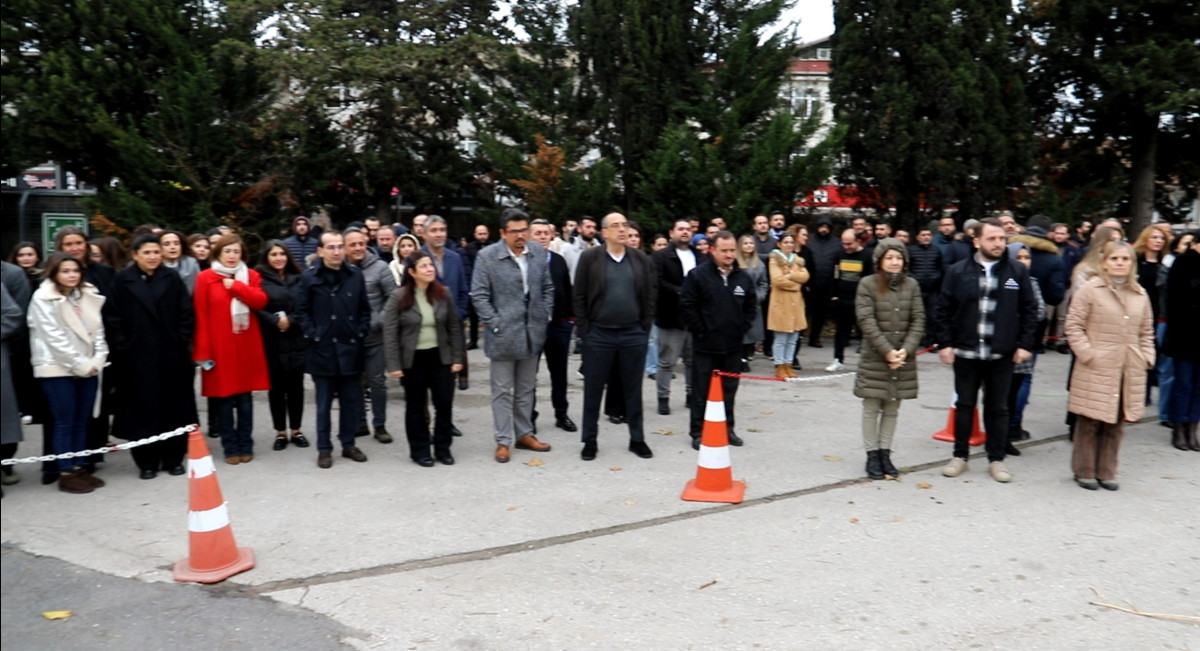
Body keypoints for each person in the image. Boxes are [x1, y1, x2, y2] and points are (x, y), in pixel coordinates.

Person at [935, 219, 1039, 483]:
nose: (998, 243)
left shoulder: (1017, 272)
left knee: (998, 408)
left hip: (1001, 354)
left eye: (1002, 239)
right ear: (977, 241)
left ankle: (996, 459)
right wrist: (945, 344)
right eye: (992, 238)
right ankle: (960, 456)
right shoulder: (958, 271)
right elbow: (943, 309)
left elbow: (1029, 310)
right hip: (967, 353)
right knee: (964, 405)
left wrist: (1025, 345)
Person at [103, 234, 198, 479]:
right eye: (147, 252)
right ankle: (146, 461)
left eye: (156, 252)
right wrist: (124, 348)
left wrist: (181, 342)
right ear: (135, 254)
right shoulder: (122, 280)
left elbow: (185, 313)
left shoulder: (171, 277)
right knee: (141, 411)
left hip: (171, 356)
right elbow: (113, 319)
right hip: (136, 359)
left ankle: (174, 458)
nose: (153, 257)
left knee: (174, 408)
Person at [1065, 240, 1156, 489]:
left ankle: (1106, 470)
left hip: (1128, 367)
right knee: (1090, 420)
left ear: (1131, 264)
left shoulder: (1140, 293)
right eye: (1115, 259)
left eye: (1125, 259)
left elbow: (1147, 331)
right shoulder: (1090, 290)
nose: (1120, 263)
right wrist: (1088, 354)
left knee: (1115, 422)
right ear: (1104, 262)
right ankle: (1084, 469)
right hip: (1096, 366)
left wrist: (1146, 356)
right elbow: (1073, 325)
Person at [470, 209, 555, 463]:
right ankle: (503, 440)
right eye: (515, 231)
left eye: (524, 230)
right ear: (503, 233)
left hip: (533, 332)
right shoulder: (487, 257)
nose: (521, 236)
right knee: (503, 390)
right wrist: (495, 323)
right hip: (503, 335)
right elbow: (479, 295)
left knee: (527, 388)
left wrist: (545, 313)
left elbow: (548, 286)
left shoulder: (538, 252)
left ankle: (524, 433)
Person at [574, 213, 656, 461]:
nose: (622, 230)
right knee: (593, 390)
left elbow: (650, 296)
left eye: (625, 225)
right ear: (604, 232)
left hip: (633, 333)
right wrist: (585, 332)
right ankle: (590, 440)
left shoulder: (640, 259)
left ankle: (637, 439)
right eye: (616, 226)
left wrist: (644, 328)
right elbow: (579, 296)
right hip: (599, 334)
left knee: (633, 389)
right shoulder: (590, 258)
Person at [28, 253, 109, 493]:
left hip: (89, 366)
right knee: (64, 422)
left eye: (75, 270)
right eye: (65, 271)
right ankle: (65, 471)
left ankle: (80, 466)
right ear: (54, 273)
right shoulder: (43, 299)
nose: (71, 275)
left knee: (82, 421)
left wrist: (98, 359)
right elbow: (54, 339)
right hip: (57, 368)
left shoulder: (86, 294)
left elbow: (98, 331)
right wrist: (82, 364)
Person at [295, 230, 373, 469]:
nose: (337, 251)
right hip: (322, 351)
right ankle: (324, 449)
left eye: (340, 246)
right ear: (320, 251)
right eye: (331, 247)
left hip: (350, 349)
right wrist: (314, 335)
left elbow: (364, 310)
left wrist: (359, 332)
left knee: (351, 402)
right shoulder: (309, 278)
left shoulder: (355, 275)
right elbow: (301, 312)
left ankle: (348, 444)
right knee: (323, 405)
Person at [193, 234, 270, 464]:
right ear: (218, 253)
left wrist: (236, 286)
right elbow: (200, 315)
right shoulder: (205, 278)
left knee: (245, 400)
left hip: (246, 346)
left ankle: (246, 444)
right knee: (224, 400)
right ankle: (230, 446)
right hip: (219, 347)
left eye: (236, 252)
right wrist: (203, 352)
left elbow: (260, 301)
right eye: (227, 251)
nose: (231, 256)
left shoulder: (251, 276)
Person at [383, 251, 464, 466]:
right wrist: (393, 364)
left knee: (444, 404)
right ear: (412, 272)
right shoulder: (398, 297)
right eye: (424, 266)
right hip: (413, 360)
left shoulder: (443, 293)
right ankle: (420, 451)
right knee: (416, 407)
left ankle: (443, 449)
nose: (430, 269)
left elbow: (454, 327)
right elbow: (390, 332)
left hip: (441, 357)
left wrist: (458, 358)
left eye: (431, 265)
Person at [679, 231, 757, 450]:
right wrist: (701, 331)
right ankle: (698, 431)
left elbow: (751, 307)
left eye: (732, 250)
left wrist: (742, 329)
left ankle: (727, 428)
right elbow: (687, 305)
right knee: (701, 391)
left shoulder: (743, 278)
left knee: (729, 390)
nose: (729, 254)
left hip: (732, 347)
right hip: (705, 346)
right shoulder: (698, 276)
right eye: (724, 250)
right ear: (713, 250)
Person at [854, 239, 924, 479]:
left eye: (898, 258)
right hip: (875, 357)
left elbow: (918, 320)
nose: (894, 262)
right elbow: (866, 321)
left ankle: (885, 452)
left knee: (892, 407)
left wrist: (905, 349)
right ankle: (872, 454)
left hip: (902, 358)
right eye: (889, 257)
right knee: (872, 406)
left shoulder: (912, 285)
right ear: (880, 260)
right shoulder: (867, 284)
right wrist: (887, 351)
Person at [255, 241, 310, 452]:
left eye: (282, 254)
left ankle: (296, 429)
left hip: (295, 338)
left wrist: (291, 320)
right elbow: (256, 307)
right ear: (267, 258)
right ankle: (280, 431)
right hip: (272, 339)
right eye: (273, 254)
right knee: (276, 389)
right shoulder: (259, 279)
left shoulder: (299, 279)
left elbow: (306, 305)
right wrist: (275, 321)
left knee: (296, 388)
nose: (278, 258)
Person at [345, 227, 398, 443]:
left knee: (377, 382)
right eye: (353, 245)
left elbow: (394, 298)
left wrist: (376, 322)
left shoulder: (380, 268)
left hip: (375, 337)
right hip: (350, 338)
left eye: (361, 243)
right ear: (345, 247)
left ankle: (380, 425)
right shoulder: (341, 269)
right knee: (355, 382)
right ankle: (359, 423)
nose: (358, 248)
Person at [529, 219, 577, 433]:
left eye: (545, 233)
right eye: (537, 233)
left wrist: (570, 319)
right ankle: (528, 416)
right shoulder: (524, 261)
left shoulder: (558, 261)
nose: (542, 237)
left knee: (559, 375)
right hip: (532, 328)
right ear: (530, 236)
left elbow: (567, 290)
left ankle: (561, 414)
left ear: (551, 236)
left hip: (559, 327)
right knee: (528, 376)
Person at [1003, 242, 1046, 453]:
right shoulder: (1003, 279)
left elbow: (1039, 312)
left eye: (1027, 258)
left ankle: (1008, 434)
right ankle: (997, 436)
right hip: (1002, 346)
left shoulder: (1031, 282)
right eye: (1018, 257)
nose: (1023, 262)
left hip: (1023, 345)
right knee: (999, 395)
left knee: (1014, 393)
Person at [652, 219, 697, 416]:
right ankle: (663, 398)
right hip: (670, 317)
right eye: (681, 229)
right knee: (667, 361)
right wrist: (683, 292)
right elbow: (658, 283)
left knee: (693, 360)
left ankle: (691, 396)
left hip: (694, 318)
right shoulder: (661, 257)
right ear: (672, 233)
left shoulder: (700, 256)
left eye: (688, 229)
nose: (685, 232)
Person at [421, 216, 470, 393]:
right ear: (424, 234)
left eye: (442, 230)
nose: (439, 234)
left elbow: (464, 290)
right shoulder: (416, 258)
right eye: (434, 230)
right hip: (425, 331)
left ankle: (444, 420)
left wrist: (459, 313)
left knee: (446, 385)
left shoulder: (455, 258)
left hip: (451, 330)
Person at [1163, 232, 1200, 451]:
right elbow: (1174, 299)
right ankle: (1178, 427)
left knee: (1199, 386)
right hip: (1185, 333)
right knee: (1183, 383)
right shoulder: (1183, 262)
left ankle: (1192, 427)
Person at [826, 229, 873, 372]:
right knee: (840, 332)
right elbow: (834, 275)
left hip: (860, 300)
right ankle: (838, 359)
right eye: (843, 243)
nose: (846, 247)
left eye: (849, 244)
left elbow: (869, 279)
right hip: (842, 299)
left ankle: (867, 361)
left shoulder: (867, 255)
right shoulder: (839, 255)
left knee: (865, 332)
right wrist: (833, 295)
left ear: (858, 241)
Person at [767, 232, 809, 378]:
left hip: (795, 304)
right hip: (781, 303)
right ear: (779, 244)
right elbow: (777, 280)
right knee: (781, 337)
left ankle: (788, 364)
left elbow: (805, 276)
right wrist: (796, 286)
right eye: (786, 242)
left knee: (793, 337)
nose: (789, 245)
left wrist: (792, 276)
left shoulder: (798, 260)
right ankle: (779, 365)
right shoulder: (774, 260)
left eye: (791, 242)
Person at [806, 215, 842, 349]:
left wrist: (836, 286)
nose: (824, 229)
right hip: (810, 283)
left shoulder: (836, 243)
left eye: (827, 227)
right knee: (806, 311)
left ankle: (815, 337)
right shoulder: (810, 240)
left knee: (821, 314)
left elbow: (838, 264)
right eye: (821, 226)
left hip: (827, 284)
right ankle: (799, 335)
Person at [736, 234, 769, 372]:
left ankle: (745, 358)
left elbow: (763, 283)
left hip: (753, 302)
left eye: (751, 243)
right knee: (738, 333)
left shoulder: (759, 264)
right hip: (737, 302)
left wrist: (759, 296)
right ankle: (737, 359)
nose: (749, 246)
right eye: (746, 243)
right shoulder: (735, 262)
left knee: (751, 333)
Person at [908, 226, 943, 347]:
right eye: (923, 235)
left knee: (932, 317)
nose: (926, 237)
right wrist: (914, 278)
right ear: (918, 237)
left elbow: (941, 267)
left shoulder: (936, 250)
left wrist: (936, 277)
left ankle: (930, 342)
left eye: (928, 234)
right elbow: (907, 268)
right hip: (915, 290)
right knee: (914, 316)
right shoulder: (911, 250)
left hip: (932, 289)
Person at [463, 224, 491, 349]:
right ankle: (473, 340)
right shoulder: (468, 249)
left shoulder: (493, 247)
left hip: (491, 285)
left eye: (484, 233)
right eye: (480, 234)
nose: (482, 236)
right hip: (475, 284)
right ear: (475, 235)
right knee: (473, 315)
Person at [159, 230, 200, 294]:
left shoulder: (191, 263)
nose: (173, 247)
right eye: (167, 244)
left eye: (176, 243)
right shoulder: (155, 265)